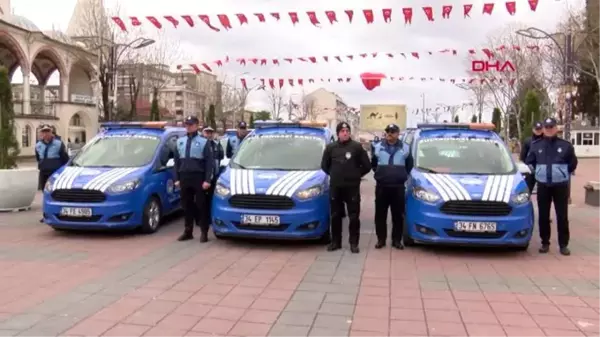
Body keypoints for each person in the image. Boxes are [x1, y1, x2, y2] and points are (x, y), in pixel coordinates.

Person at [525, 117, 578, 256]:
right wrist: (539, 173)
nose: (549, 130)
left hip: (560, 186)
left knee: (562, 216)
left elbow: (573, 164)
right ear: (543, 129)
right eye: (546, 127)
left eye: (551, 127)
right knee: (543, 216)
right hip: (543, 185)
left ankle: (563, 245)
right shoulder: (536, 145)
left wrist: (561, 173)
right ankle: (545, 243)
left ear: (556, 128)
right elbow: (530, 162)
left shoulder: (566, 145)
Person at [321, 122, 371, 253]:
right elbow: (324, 166)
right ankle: (335, 242)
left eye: (347, 130)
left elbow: (367, 166)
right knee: (335, 215)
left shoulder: (357, 147)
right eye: (342, 131)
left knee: (354, 216)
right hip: (336, 187)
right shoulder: (331, 148)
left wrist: (356, 175)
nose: (345, 133)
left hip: (352, 187)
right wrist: (334, 174)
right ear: (338, 133)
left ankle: (354, 243)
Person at [370, 124, 413, 250]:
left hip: (398, 187)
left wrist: (400, 175)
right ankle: (381, 240)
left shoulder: (405, 147)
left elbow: (409, 165)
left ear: (398, 133)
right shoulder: (378, 147)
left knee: (398, 215)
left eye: (393, 131)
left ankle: (396, 240)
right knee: (380, 215)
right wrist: (381, 175)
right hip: (382, 186)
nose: (390, 133)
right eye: (388, 131)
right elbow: (373, 164)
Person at [174, 116, 215, 243]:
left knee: (201, 205)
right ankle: (188, 231)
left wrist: (207, 180)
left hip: (199, 177)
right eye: (187, 124)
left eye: (191, 125)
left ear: (197, 126)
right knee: (186, 206)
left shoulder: (203, 142)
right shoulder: (180, 141)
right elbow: (176, 162)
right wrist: (177, 178)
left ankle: (204, 232)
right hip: (184, 177)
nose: (188, 127)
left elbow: (209, 162)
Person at [202, 126, 223, 230]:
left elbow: (221, 156)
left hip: (214, 175)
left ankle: (210, 218)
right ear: (203, 133)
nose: (209, 135)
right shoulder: (200, 144)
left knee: (211, 198)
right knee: (201, 199)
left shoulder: (216, 144)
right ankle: (201, 219)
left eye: (210, 132)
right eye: (207, 132)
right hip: (203, 176)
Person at [36, 124, 69, 190]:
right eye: (44, 132)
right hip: (44, 171)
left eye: (48, 131)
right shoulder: (38, 145)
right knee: (44, 189)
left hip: (55, 171)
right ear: (41, 133)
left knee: (55, 189)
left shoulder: (58, 144)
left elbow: (65, 158)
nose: (46, 133)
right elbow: (38, 158)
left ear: (51, 132)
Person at [520, 122, 544, 192]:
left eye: (540, 129)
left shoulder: (546, 141)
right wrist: (528, 166)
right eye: (537, 129)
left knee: (543, 193)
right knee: (527, 191)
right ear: (533, 130)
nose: (538, 131)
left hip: (542, 171)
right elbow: (523, 156)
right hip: (531, 170)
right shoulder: (528, 141)